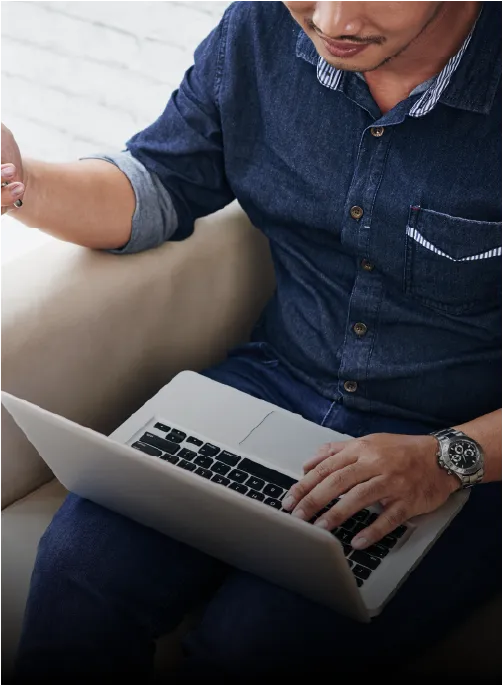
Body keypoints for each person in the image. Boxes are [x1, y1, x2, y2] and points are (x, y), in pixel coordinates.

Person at [1, 0, 501, 682]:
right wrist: (21, 183)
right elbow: (159, 184)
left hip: (463, 447)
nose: (330, 21)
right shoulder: (260, 28)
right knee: (76, 574)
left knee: (250, 647)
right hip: (277, 381)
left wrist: (447, 458)